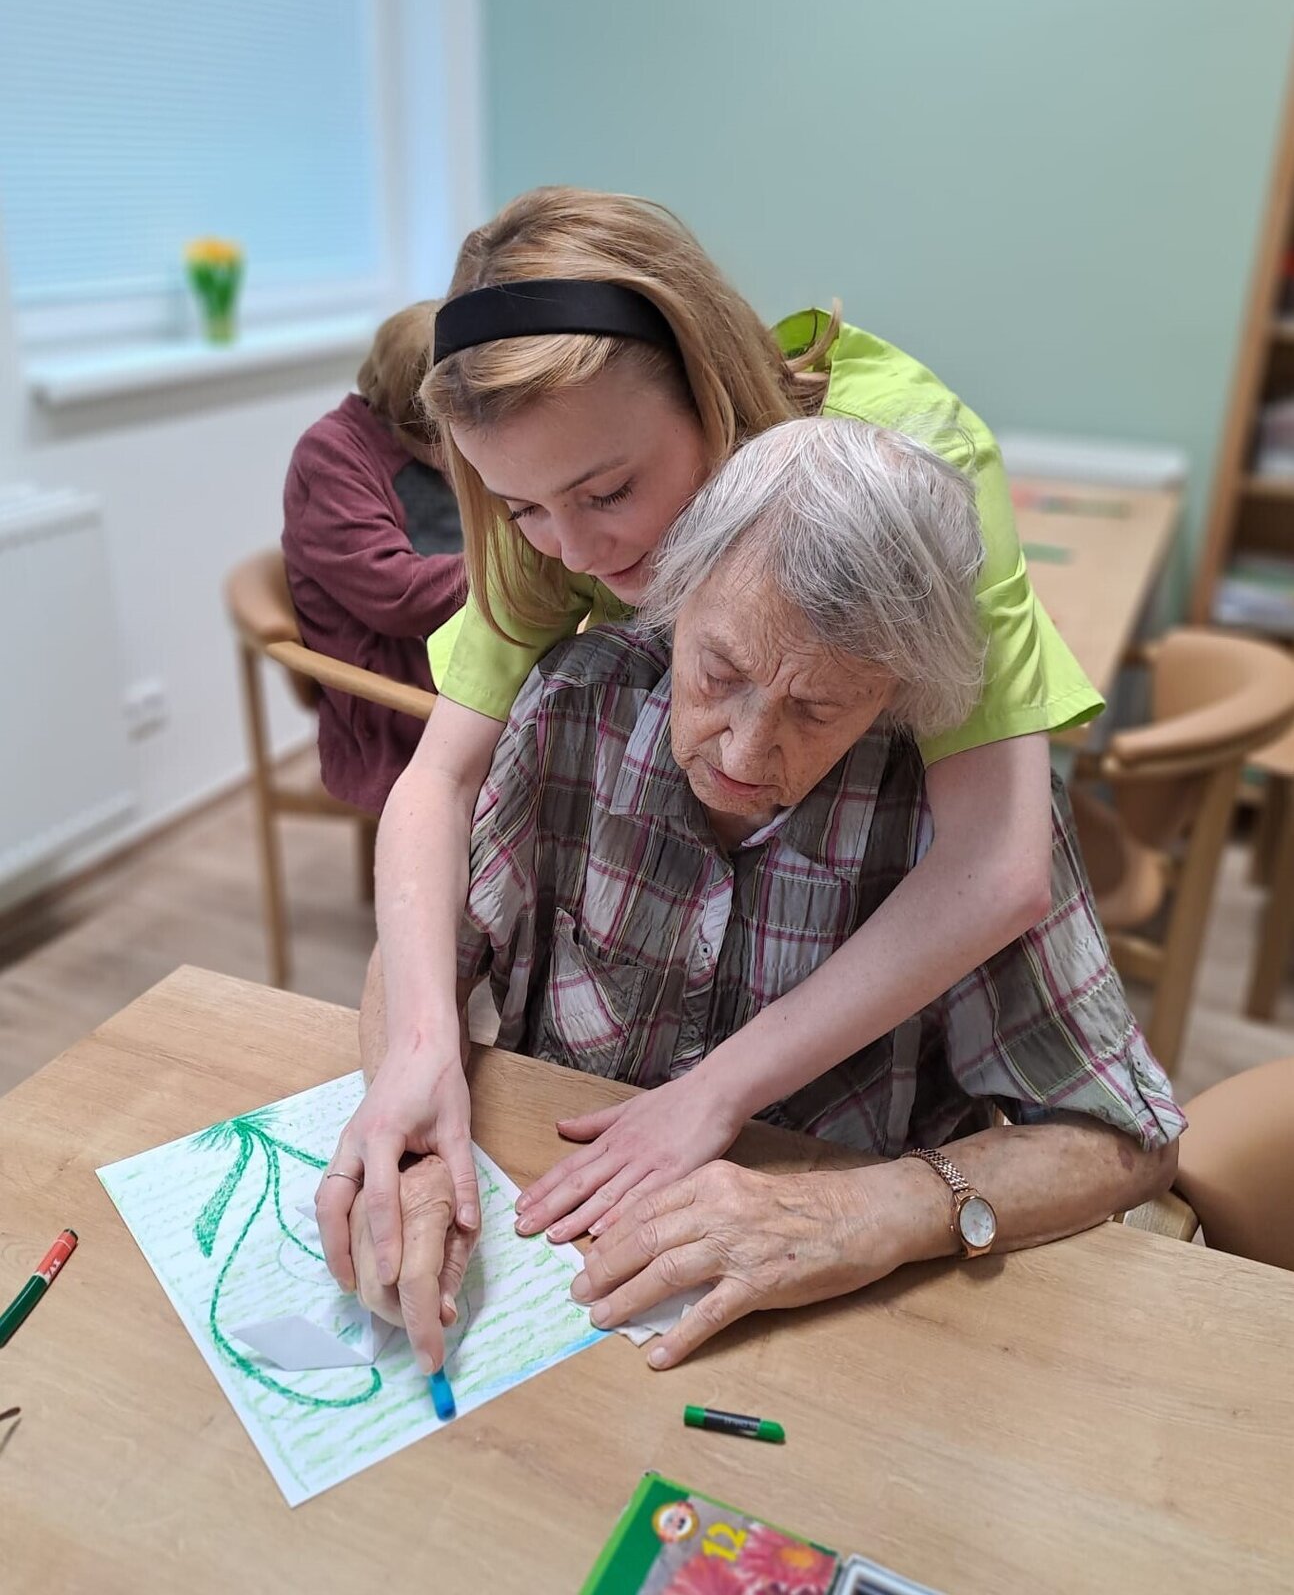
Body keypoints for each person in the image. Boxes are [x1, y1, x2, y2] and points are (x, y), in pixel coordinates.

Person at [321, 186, 1107, 1317]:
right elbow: (437, 781)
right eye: (523, 508)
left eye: (608, 491)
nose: (574, 552)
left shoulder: (908, 469)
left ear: (711, 390)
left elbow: (996, 865)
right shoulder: (560, 553)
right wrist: (415, 1057)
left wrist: (719, 1091)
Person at [326, 419, 1181, 1372]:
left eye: (817, 709)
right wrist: (413, 1149)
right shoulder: (576, 704)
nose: (743, 750)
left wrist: (867, 1211)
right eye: (719, 674)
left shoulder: (962, 811)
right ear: (675, 592)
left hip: (826, 1337)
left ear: (894, 688)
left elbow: (1125, 1140)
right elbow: (423, 953)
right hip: (541, 1279)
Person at [282, 302, 466, 814]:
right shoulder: (329, 456)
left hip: (464, 650)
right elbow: (399, 593)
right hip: (397, 694)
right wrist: (515, 565)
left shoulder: (433, 443)